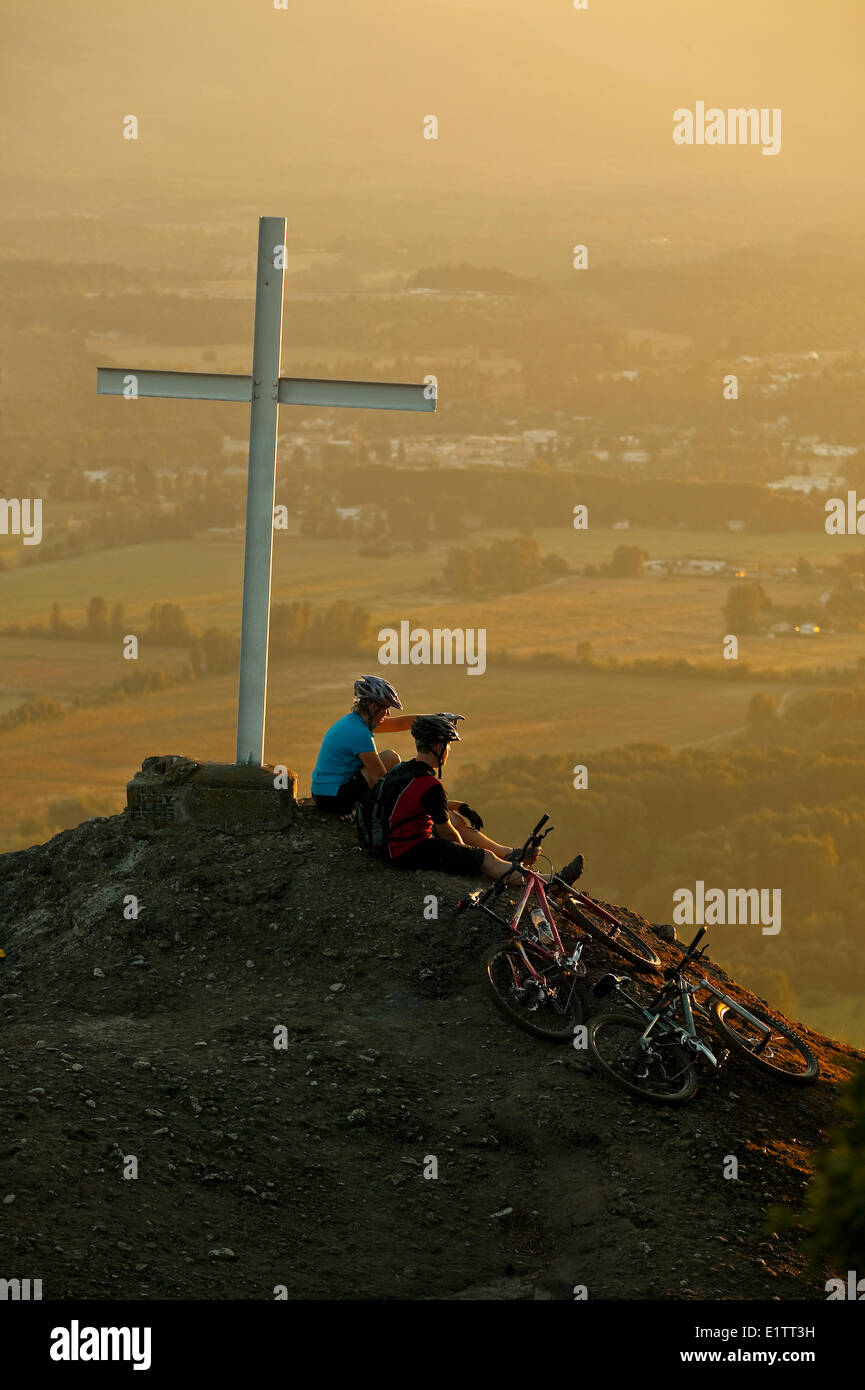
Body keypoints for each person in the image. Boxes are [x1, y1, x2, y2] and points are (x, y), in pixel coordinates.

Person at [379, 714, 531, 882]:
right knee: (487, 858)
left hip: (389, 845)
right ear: (438, 747)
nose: (449, 749)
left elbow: (416, 803)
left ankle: (515, 862)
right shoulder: (429, 784)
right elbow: (447, 833)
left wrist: (457, 806)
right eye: (448, 744)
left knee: (459, 827)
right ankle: (545, 884)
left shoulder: (404, 769)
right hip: (408, 851)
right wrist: (471, 855)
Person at [311, 675, 419, 815]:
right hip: (333, 799)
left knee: (390, 757)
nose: (388, 713)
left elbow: (399, 724)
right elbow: (379, 778)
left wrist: (435, 719)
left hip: (322, 793)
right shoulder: (360, 733)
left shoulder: (354, 721)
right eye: (386, 708)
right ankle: (368, 812)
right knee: (389, 765)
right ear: (373, 707)